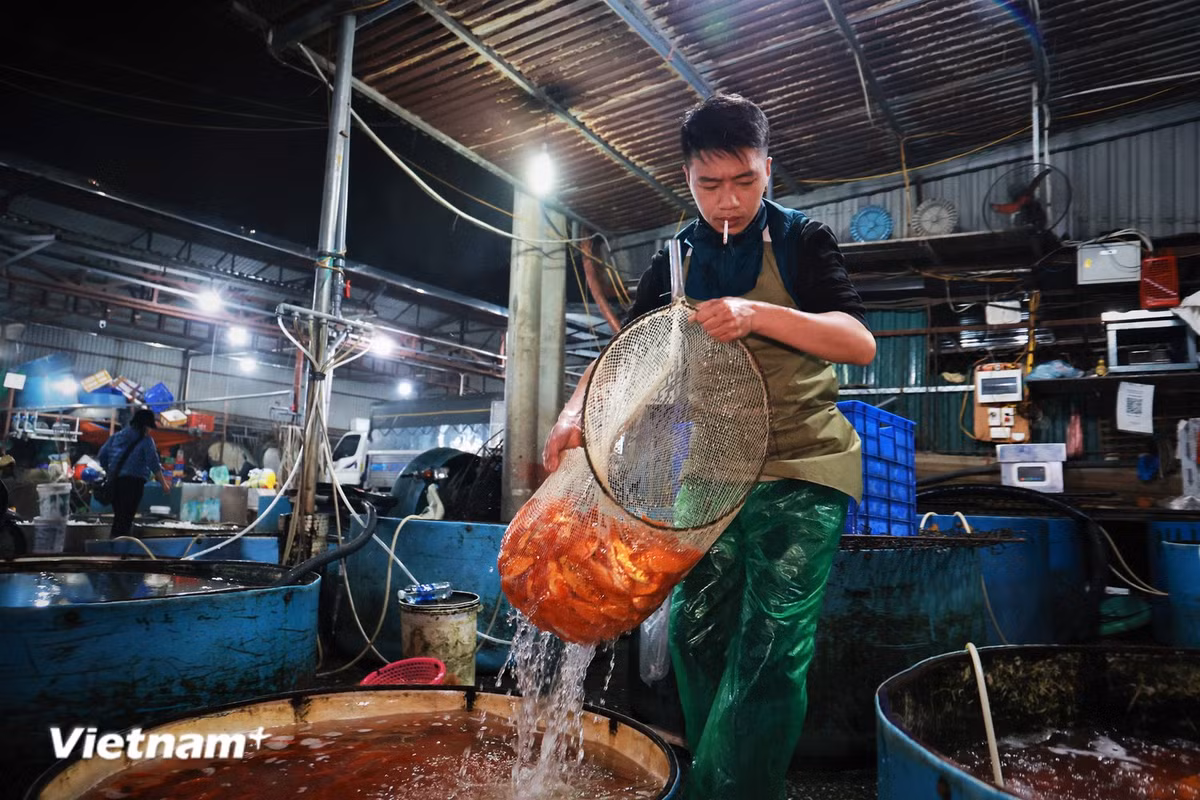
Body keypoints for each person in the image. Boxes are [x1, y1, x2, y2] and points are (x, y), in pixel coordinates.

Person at [542, 93, 875, 799]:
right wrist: (575, 412)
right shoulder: (676, 257)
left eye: (745, 181)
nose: (728, 200)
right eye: (709, 184)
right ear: (686, 179)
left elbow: (858, 342)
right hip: (712, 471)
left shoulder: (802, 240)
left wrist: (760, 312)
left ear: (768, 170)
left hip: (801, 461)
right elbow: (627, 353)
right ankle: (726, 779)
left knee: (769, 647)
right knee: (696, 636)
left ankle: (727, 795)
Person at [98, 407, 171, 536]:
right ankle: (119, 550)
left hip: (115, 482)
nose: (150, 430)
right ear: (144, 426)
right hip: (133, 484)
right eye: (149, 427)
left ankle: (113, 546)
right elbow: (153, 463)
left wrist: (110, 471)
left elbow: (102, 455)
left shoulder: (117, 436)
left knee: (119, 517)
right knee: (126, 519)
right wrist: (164, 484)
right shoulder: (146, 441)